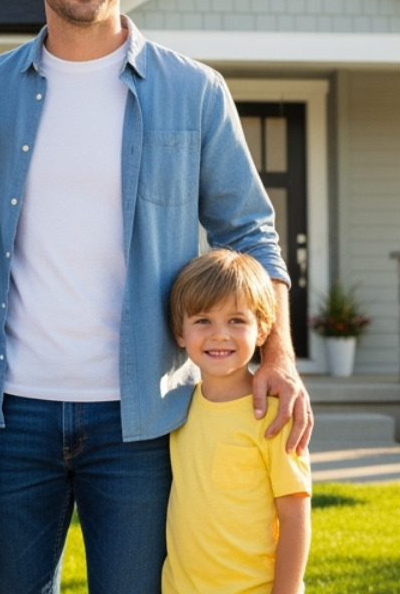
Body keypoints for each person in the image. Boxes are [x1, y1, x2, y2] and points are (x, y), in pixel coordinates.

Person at [0, 0, 313, 594]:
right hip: (9, 414)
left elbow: (251, 230)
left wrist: (277, 355)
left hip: (144, 419)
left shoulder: (192, 91)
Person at [162, 250, 311, 594]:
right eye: (202, 321)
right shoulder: (178, 408)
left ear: (263, 330)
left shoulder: (276, 416)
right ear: (179, 332)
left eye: (236, 321)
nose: (219, 335)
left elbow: (295, 516)